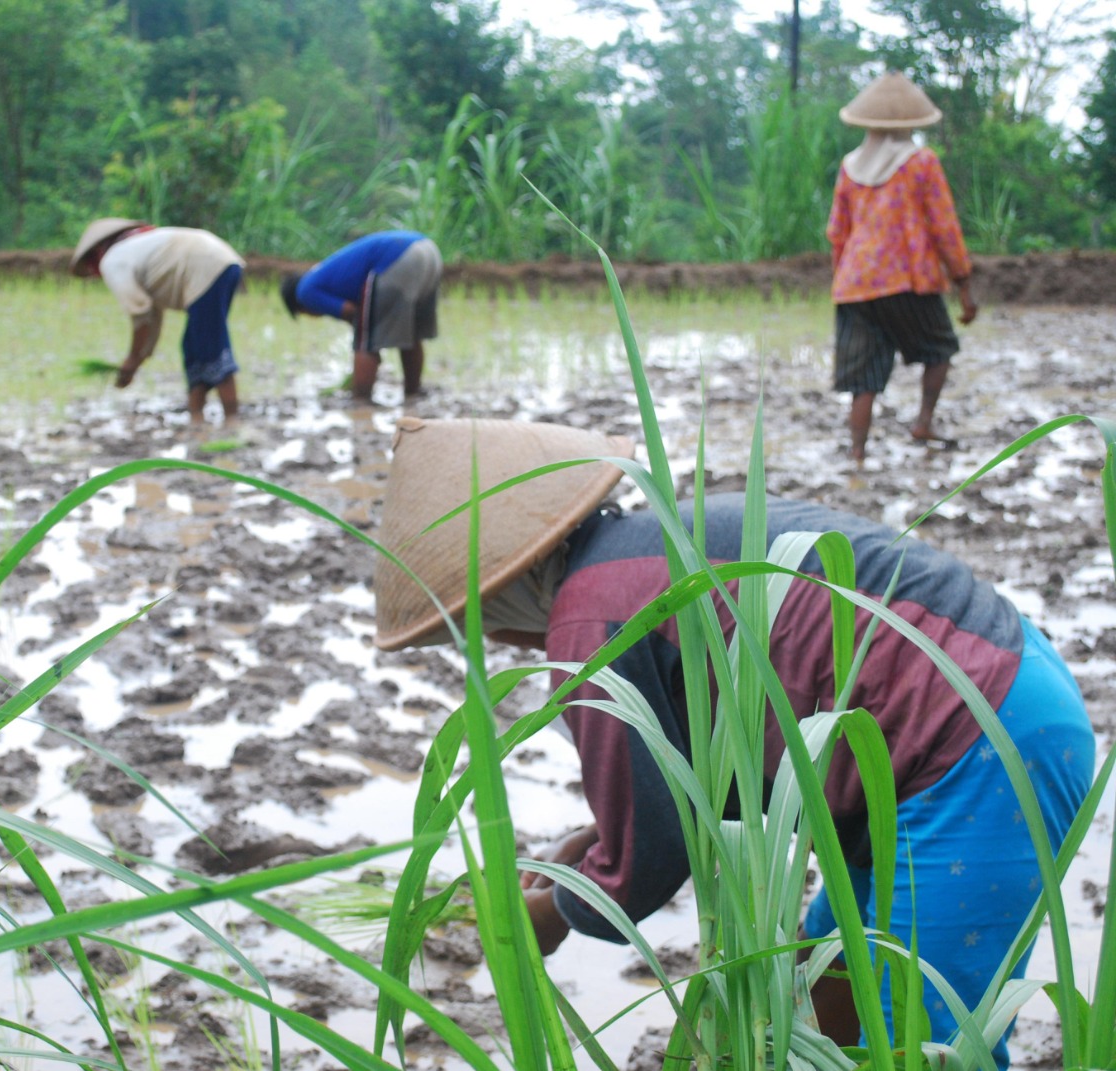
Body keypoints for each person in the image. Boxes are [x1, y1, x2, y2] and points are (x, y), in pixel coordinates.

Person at [373, 417, 1093, 1068]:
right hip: (999, 689)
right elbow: (700, 778)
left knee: (921, 1041)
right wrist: (588, 849)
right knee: (823, 996)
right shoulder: (650, 544)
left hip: (974, 745)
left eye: (478, 623)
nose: (503, 642)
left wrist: (556, 913)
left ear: (501, 591)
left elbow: (649, 855)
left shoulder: (586, 623)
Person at [827, 72, 977, 465]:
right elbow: (944, 226)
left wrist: (842, 278)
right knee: (939, 349)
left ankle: (857, 452)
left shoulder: (850, 166)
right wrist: (963, 282)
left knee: (863, 378)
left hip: (855, 283)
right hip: (906, 278)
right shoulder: (921, 162)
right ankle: (923, 422)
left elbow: (837, 232)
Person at [70, 218, 244, 424]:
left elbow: (140, 313)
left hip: (208, 267)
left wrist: (132, 359)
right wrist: (140, 358)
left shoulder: (113, 260)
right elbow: (152, 315)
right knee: (193, 346)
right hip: (220, 260)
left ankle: (232, 420)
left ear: (97, 252)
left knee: (211, 346)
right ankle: (197, 418)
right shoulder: (137, 249)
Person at [280, 230, 442, 403]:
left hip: (397, 259)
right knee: (411, 334)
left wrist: (370, 347)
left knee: (364, 342)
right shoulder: (321, 275)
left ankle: (361, 401)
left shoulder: (304, 292)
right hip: (428, 251)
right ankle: (413, 393)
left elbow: (352, 312)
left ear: (299, 306)